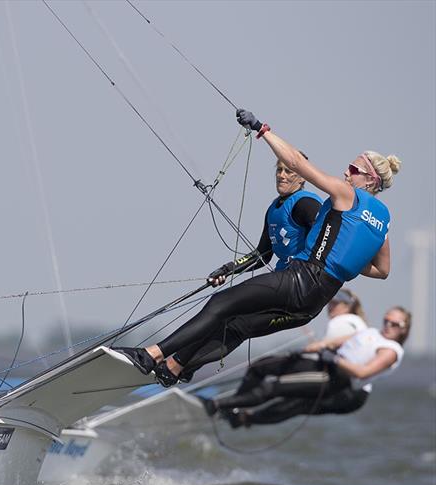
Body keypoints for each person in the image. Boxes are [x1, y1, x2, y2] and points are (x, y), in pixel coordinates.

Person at [112, 109, 401, 387]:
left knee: (220, 305)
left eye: (353, 169)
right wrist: (344, 256)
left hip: (301, 278)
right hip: (316, 301)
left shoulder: (347, 194)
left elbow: (299, 163)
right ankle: (176, 367)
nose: (346, 172)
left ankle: (151, 355)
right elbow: (383, 270)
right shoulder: (383, 219)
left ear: (370, 180)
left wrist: (262, 129)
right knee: (237, 326)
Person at [203, 306, 411, 428]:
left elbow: (362, 372)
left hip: (335, 380)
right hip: (325, 365)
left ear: (404, 330)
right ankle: (234, 407)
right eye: (386, 320)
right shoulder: (372, 332)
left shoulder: (391, 350)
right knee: (264, 367)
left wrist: (335, 359)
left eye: (395, 324)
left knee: (274, 389)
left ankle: (219, 405)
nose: (388, 326)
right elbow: (339, 341)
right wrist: (319, 346)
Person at [207, 154, 321, 287]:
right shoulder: (273, 210)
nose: (281, 176)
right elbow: (261, 256)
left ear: (302, 177)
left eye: (288, 171)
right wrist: (227, 270)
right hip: (283, 278)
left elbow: (326, 243)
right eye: (279, 170)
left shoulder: (306, 203)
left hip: (302, 281)